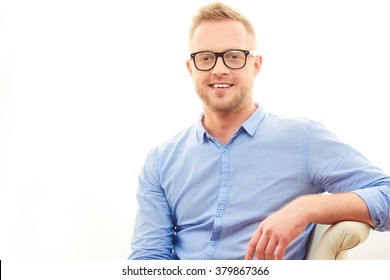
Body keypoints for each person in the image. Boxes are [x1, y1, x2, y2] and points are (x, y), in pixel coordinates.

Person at [128, 2, 390, 260]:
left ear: (256, 65)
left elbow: (386, 193)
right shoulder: (160, 161)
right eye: (205, 58)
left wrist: (305, 208)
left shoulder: (302, 139)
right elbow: (147, 259)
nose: (219, 69)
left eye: (233, 56)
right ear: (191, 68)